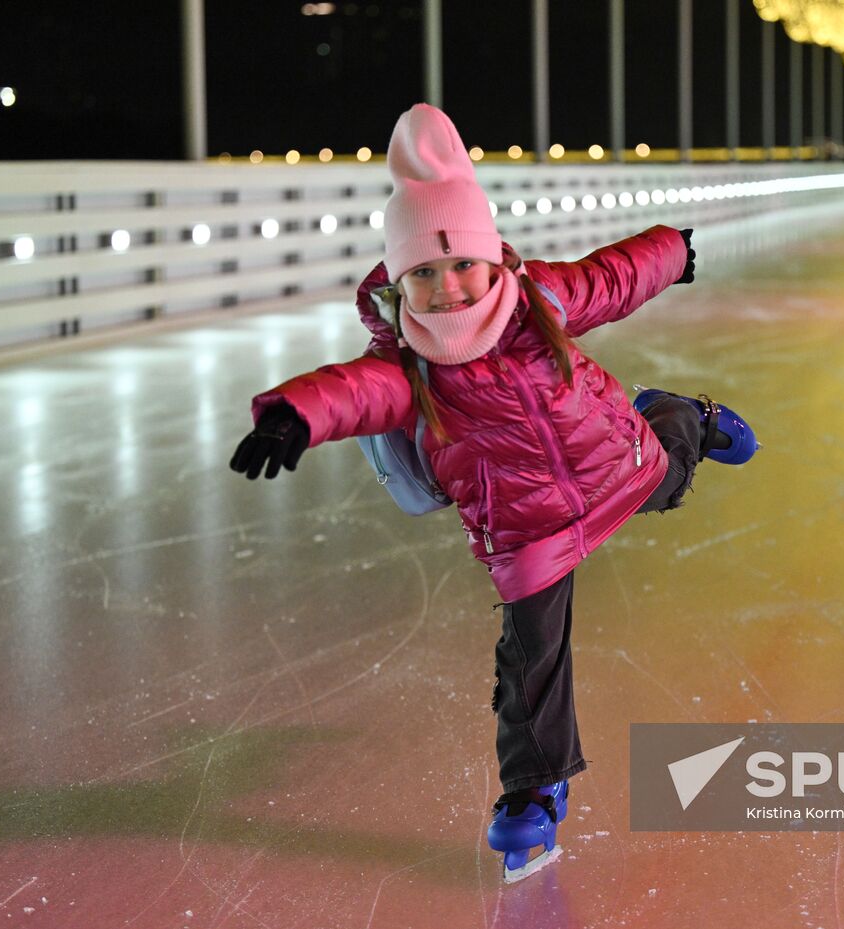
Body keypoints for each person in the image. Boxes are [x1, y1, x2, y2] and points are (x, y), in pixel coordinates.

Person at [229, 104, 758, 883]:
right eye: (424, 274)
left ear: (493, 258)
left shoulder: (538, 300)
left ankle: (685, 416)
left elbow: (608, 279)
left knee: (671, 476)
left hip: (613, 458)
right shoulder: (408, 368)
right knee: (532, 653)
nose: (448, 290)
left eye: (462, 266)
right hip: (525, 524)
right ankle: (533, 790)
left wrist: (669, 252)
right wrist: (291, 416)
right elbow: (349, 393)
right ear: (401, 280)